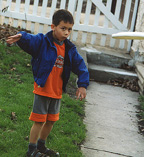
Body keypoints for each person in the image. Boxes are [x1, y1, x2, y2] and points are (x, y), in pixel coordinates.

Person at [6, 9, 89, 157]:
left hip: (56, 92)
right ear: (53, 27)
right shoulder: (43, 42)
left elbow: (81, 66)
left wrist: (82, 85)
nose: (66, 32)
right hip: (43, 89)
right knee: (39, 121)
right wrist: (21, 37)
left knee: (50, 121)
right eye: (63, 28)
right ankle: (31, 150)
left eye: (69, 29)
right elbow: (32, 40)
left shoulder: (69, 49)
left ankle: (41, 146)